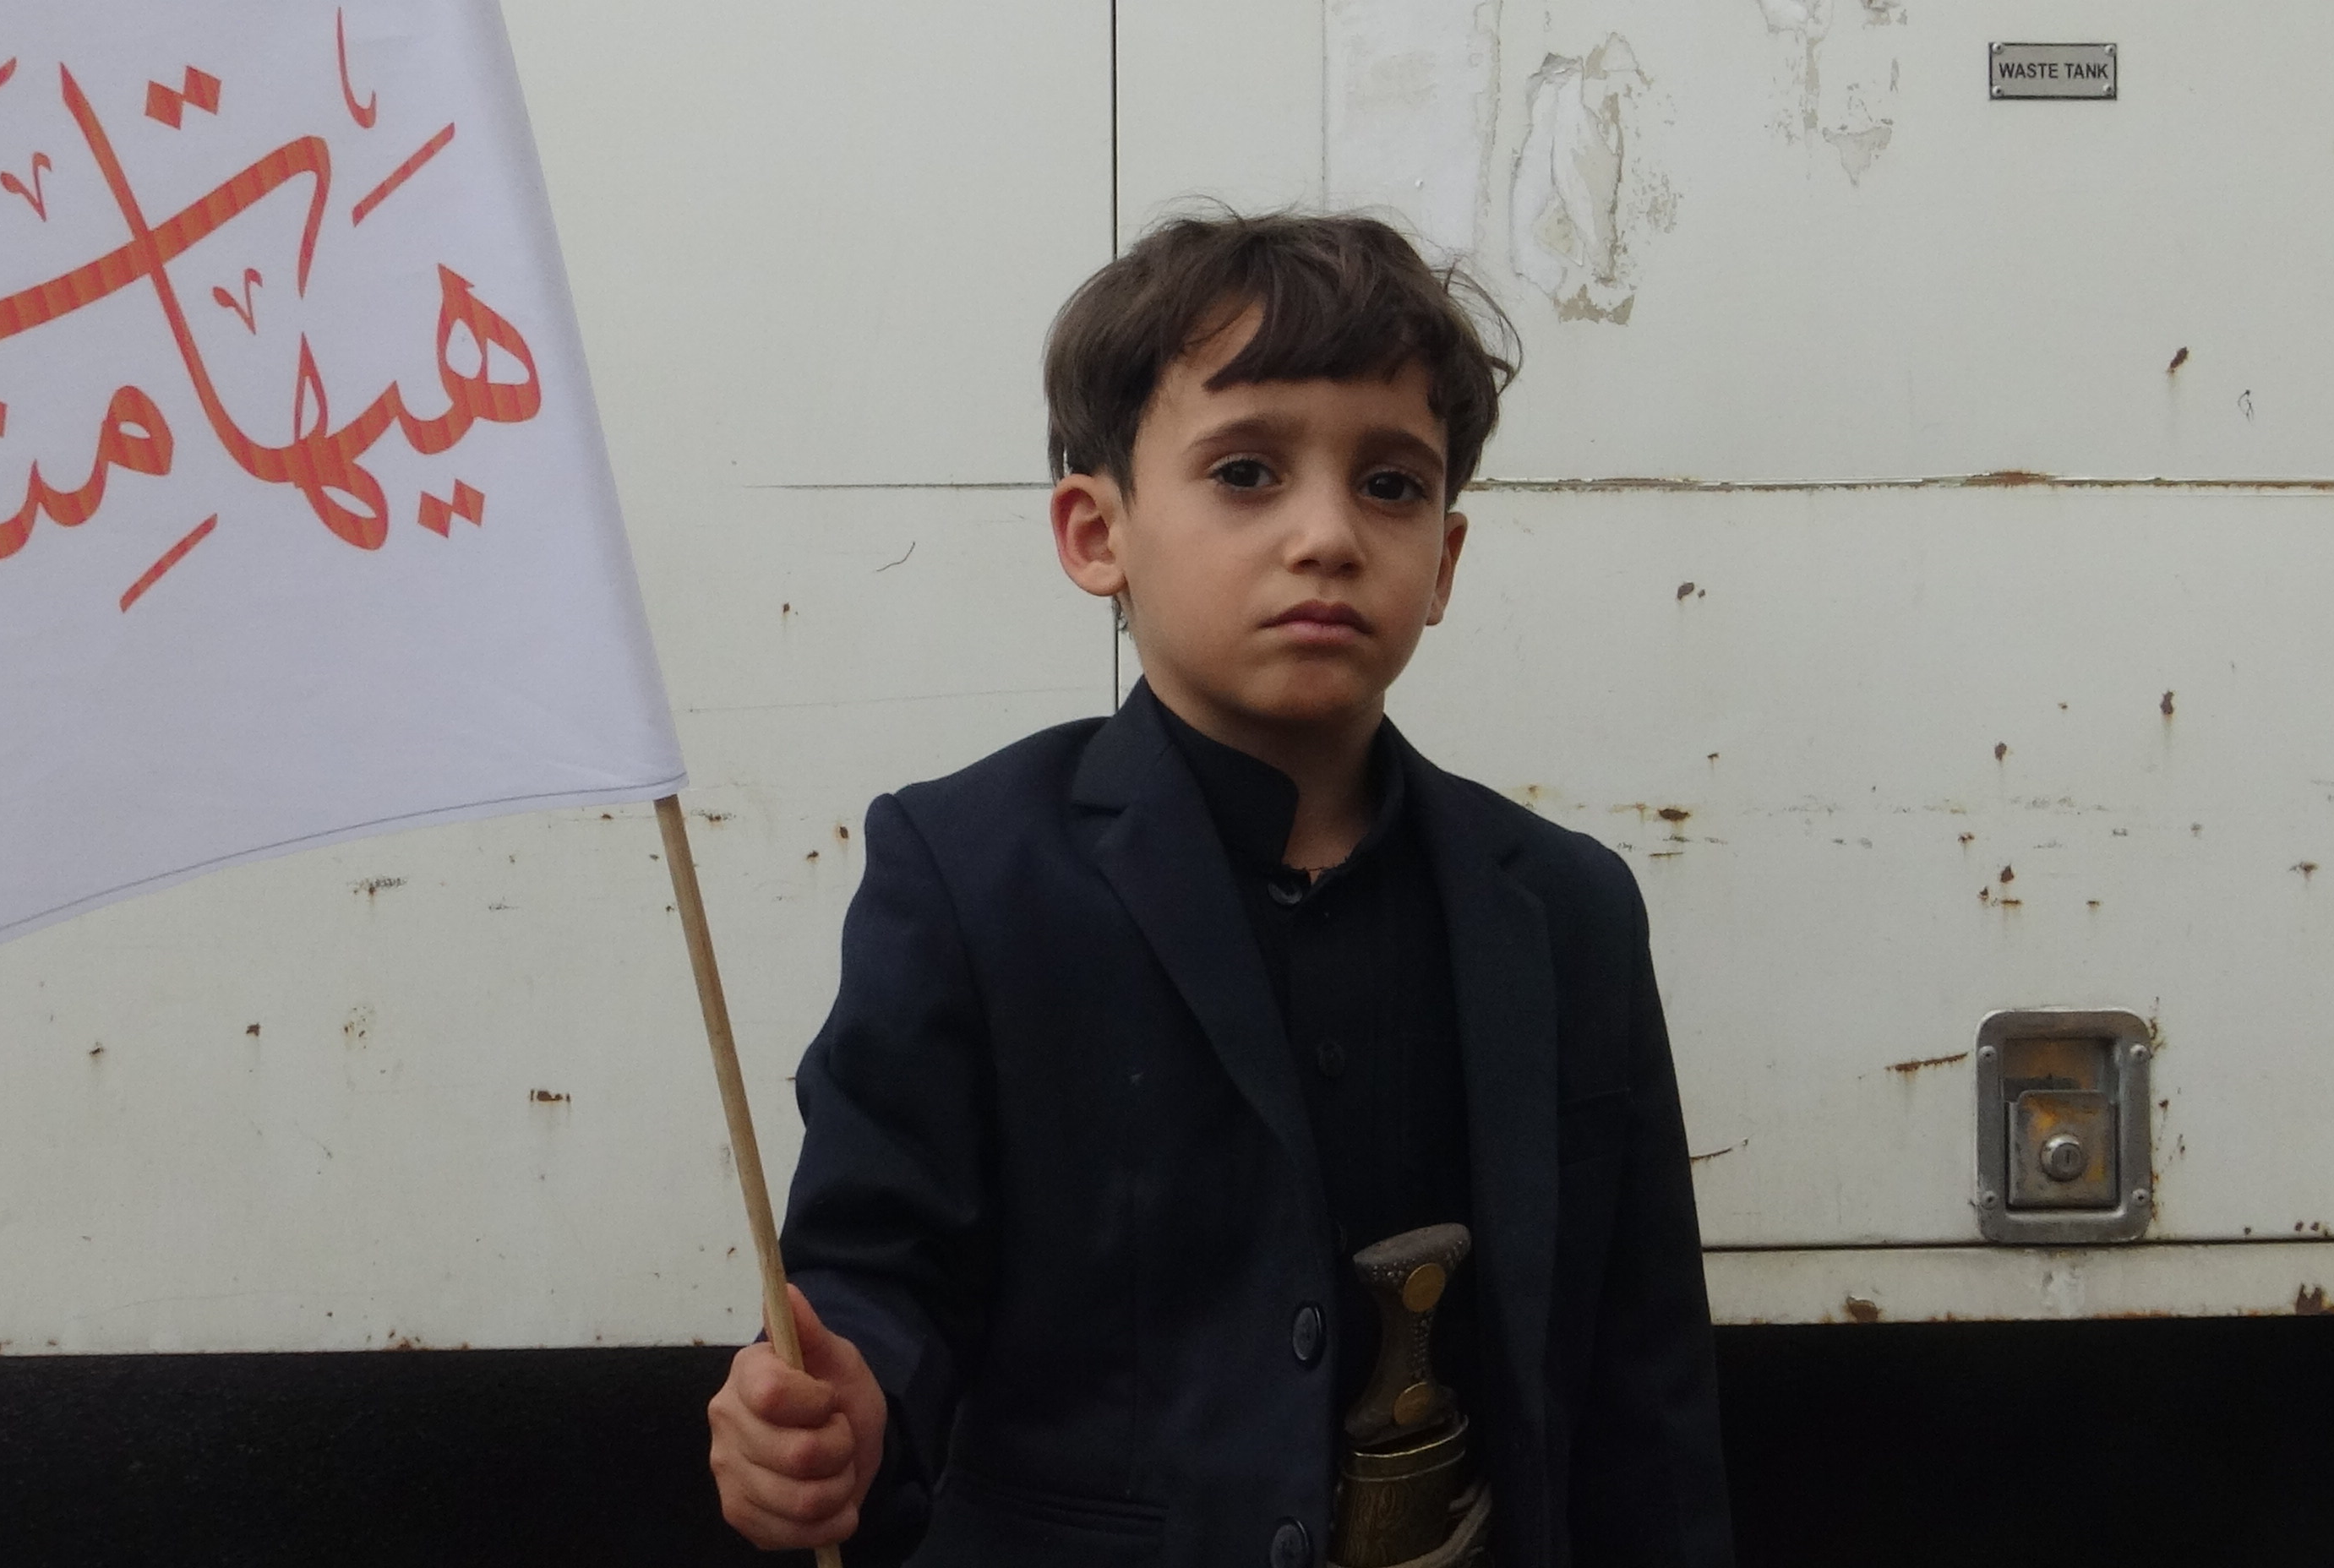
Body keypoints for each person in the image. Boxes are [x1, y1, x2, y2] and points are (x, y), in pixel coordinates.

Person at [706, 210, 1731, 1566]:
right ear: (1097, 532)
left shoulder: (1564, 909)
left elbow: (1644, 1385)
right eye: (1247, 472)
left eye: (1391, 484)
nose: (1328, 534)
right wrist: (846, 1409)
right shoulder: (967, 872)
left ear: (1444, 563)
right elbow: (880, 1275)